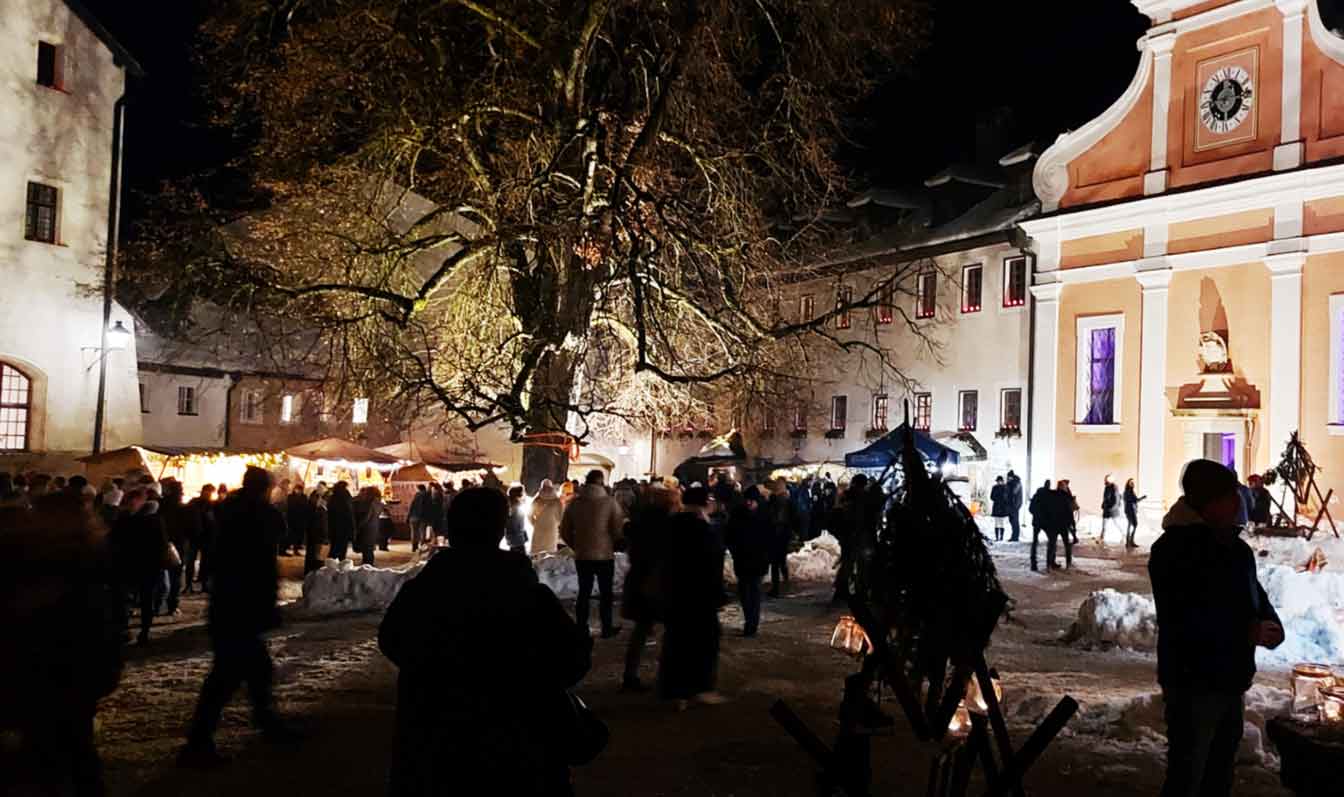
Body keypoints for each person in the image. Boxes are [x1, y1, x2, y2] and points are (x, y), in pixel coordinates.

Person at [378, 487, 592, 795]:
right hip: (518, 750)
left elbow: (393, 641)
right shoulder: (528, 596)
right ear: (500, 529)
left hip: (435, 745)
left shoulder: (424, 593)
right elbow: (572, 660)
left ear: (452, 529)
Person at [1149, 459, 1284, 797]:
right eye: (1229, 496)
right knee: (1188, 775)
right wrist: (1245, 632)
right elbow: (1184, 617)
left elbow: (1254, 594)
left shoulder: (1235, 548)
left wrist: (1270, 623)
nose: (1239, 503)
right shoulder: (1173, 551)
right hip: (1193, 682)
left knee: (1220, 772)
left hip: (1231, 679)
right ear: (1208, 503)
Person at [0, 490, 124, 797]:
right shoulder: (90, 554)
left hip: (43, 666)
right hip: (67, 668)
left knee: (51, 751)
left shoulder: (30, 552)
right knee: (73, 751)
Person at [181, 467, 291, 766]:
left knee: (255, 671)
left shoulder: (230, 512)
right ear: (263, 489)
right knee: (227, 676)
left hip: (231, 603)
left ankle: (268, 724)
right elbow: (262, 559)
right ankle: (198, 744)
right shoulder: (255, 516)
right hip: (240, 605)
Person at [657, 486, 725, 708]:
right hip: (699, 594)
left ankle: (675, 691)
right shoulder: (703, 528)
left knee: (676, 641)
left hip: (675, 592)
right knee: (702, 641)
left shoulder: (671, 524)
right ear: (704, 503)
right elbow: (711, 565)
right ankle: (698, 687)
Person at [621, 482, 679, 691]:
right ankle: (668, 677)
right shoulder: (669, 525)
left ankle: (630, 675)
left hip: (639, 580)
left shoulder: (639, 522)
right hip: (660, 582)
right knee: (670, 632)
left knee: (641, 630)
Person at [559, 470, 626, 638]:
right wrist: (614, 542)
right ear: (601, 482)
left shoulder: (575, 503)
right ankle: (606, 627)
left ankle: (581, 627)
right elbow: (618, 528)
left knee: (584, 592)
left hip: (582, 555)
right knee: (605, 593)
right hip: (605, 555)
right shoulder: (610, 503)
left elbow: (564, 529)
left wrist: (576, 545)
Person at [108, 488, 171, 646]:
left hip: (145, 565)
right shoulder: (126, 519)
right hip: (130, 565)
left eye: (135, 500)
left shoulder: (151, 520)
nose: (132, 504)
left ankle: (143, 630)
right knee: (128, 599)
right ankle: (129, 630)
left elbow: (161, 544)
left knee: (143, 598)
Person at [725, 486, 771, 637]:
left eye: (752, 501)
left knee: (755, 592)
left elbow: (770, 537)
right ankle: (748, 621)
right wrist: (735, 551)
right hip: (743, 559)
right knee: (745, 593)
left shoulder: (764, 514)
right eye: (747, 500)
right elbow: (730, 535)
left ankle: (752, 624)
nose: (749, 503)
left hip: (758, 560)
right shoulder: (738, 514)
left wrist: (766, 555)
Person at [159, 479, 200, 616]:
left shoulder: (160, 505)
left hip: (161, 543)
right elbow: (194, 529)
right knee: (175, 576)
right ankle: (172, 605)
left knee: (160, 574)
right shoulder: (186, 509)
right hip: (179, 545)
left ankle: (158, 603)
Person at [765, 479, 796, 598]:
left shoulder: (777, 501)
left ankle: (776, 589)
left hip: (776, 534)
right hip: (783, 534)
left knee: (775, 563)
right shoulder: (787, 501)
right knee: (781, 561)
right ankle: (785, 582)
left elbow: (774, 518)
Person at [185, 484, 217, 593]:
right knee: (191, 561)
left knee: (205, 562)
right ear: (203, 491)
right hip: (195, 536)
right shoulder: (195, 503)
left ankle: (203, 584)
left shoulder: (211, 504)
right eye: (208, 492)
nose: (209, 494)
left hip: (205, 537)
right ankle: (189, 585)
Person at [1043, 480, 1074, 571]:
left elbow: (1047, 510)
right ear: (1064, 487)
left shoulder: (1051, 496)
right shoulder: (1066, 497)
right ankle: (1068, 564)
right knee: (1066, 544)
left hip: (1052, 524)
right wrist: (1072, 525)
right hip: (1063, 524)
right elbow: (1070, 513)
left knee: (1051, 545)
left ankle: (1049, 564)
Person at [529, 479, 563, 555]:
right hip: (551, 527)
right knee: (550, 552)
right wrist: (556, 524)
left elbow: (529, 514)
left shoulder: (537, 500)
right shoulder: (557, 501)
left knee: (537, 552)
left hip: (539, 526)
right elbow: (561, 517)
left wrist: (534, 523)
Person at [326, 481, 356, 561]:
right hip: (344, 527)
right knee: (341, 550)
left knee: (334, 548)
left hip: (334, 527)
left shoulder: (332, 497)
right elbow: (349, 513)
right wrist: (352, 528)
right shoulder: (345, 497)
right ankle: (339, 566)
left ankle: (331, 565)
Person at [284, 483, 310, 557]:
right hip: (292, 519)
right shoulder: (290, 497)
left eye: (300, 490)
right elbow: (290, 507)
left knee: (299, 535)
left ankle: (296, 549)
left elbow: (305, 506)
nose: (299, 491)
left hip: (301, 519)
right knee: (291, 534)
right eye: (298, 489)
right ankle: (288, 547)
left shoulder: (304, 497)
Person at [505, 485, 529, 554]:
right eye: (523, 493)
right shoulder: (516, 507)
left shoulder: (511, 505)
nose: (524, 495)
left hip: (514, 538)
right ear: (519, 495)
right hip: (516, 539)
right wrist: (522, 535)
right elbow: (515, 524)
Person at [1123, 478, 1146, 549]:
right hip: (1129, 511)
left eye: (1133, 482)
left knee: (1133, 525)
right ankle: (1129, 542)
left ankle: (1130, 541)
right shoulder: (1127, 492)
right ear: (1128, 484)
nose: (1132, 484)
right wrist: (1141, 498)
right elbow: (1134, 500)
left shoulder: (1131, 491)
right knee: (1132, 525)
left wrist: (1141, 498)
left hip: (1132, 511)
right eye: (1131, 482)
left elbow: (1135, 500)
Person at [407, 484, 430, 553]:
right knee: (422, 532)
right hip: (423, 517)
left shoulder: (416, 495)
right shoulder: (427, 495)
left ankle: (414, 547)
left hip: (414, 517)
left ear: (419, 489)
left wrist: (408, 516)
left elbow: (412, 506)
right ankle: (422, 547)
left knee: (414, 532)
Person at [1100, 474, 1120, 544]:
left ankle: (1125, 535)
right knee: (1104, 525)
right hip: (1106, 509)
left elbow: (1116, 499)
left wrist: (1112, 508)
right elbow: (1105, 498)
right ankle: (1101, 537)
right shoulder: (1106, 487)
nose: (1104, 481)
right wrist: (1103, 504)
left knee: (1117, 524)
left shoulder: (1114, 488)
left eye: (1106, 479)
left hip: (1112, 510)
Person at [1005, 469, 1024, 542]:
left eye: (1009, 477)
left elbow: (1014, 492)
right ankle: (1014, 536)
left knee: (1015, 521)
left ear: (1011, 477)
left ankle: (1015, 537)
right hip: (1011, 505)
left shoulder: (1017, 482)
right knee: (1012, 521)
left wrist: (1009, 485)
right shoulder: (1011, 483)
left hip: (1015, 505)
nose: (1008, 478)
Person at [989, 476, 1009, 542]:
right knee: (997, 523)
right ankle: (997, 537)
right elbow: (991, 497)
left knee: (1002, 523)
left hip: (1002, 507)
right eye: (998, 481)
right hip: (997, 507)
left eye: (1000, 481)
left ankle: (1001, 537)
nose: (998, 482)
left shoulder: (1005, 487)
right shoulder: (994, 487)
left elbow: (1007, 497)